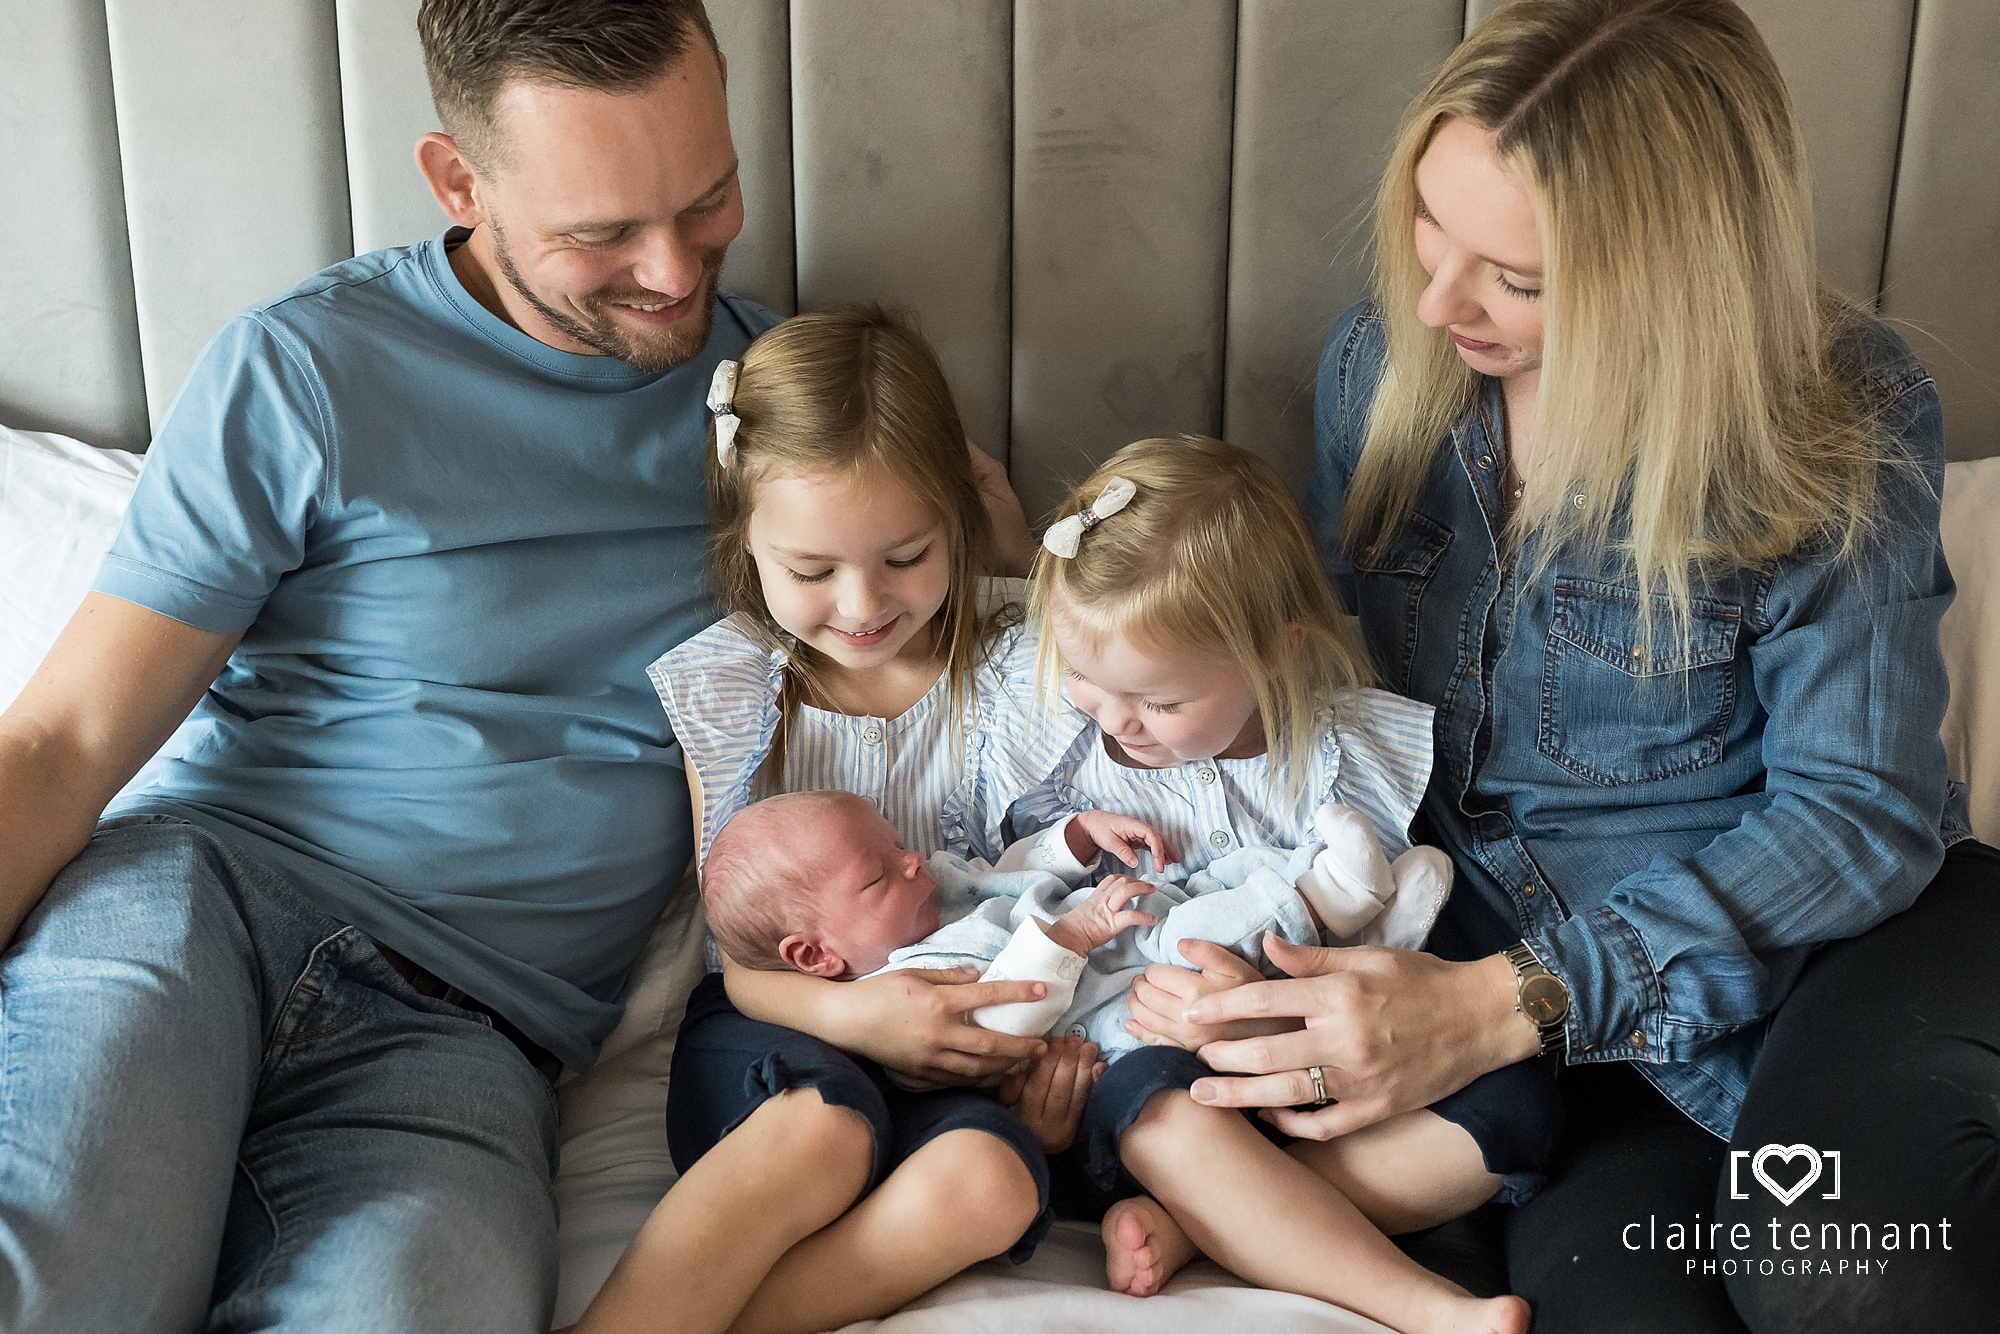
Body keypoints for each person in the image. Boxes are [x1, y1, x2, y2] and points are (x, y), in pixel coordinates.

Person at [0, 4, 1030, 1331]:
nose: (672, 271)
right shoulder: (307, 369)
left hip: (472, 1035)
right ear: (458, 181)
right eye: (601, 233)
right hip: (203, 903)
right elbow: (64, 739)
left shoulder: (775, 430)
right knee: (59, 1270)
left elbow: (971, 640)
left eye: (707, 199)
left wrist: (1010, 559)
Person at [1129, 3, 1999, 1332]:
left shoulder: (1840, 412)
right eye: (1431, 224)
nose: (1436, 299)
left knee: (1846, 1267)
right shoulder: (1382, 371)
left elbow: (1858, 816)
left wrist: (1503, 1000)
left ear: (1671, 272)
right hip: (1587, 1054)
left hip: (1846, 953)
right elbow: (1300, 667)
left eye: (1516, 278)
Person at [578, 305, 1074, 1334]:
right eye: (810, 571)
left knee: (995, 1178)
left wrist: (1020, 553)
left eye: (905, 555)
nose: (860, 602)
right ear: (745, 541)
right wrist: (853, 1017)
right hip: (784, 1016)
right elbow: (739, 952)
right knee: (825, 1134)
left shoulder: (1021, 667)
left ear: (955, 516)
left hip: (960, 1024)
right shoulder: (734, 691)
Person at [1009, 437, 1541, 1334]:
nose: (1117, 723)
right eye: (1090, 686)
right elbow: (1008, 905)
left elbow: (1398, 937)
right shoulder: (1073, 771)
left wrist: (1280, 1001)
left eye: (1160, 702)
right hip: (1161, 1076)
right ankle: (1418, 1304)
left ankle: (1207, 1227)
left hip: (1326, 1072)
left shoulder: (1352, 758)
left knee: (1506, 1117)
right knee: (1166, 1116)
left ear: (1273, 651)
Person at [702, 790, 1449, 1057]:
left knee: (1192, 888)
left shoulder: (932, 890)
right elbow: (1003, 1020)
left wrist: (1076, 837)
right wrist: (1081, 931)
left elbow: (1009, 871)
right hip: (1112, 1021)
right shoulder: (904, 986)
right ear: (816, 955)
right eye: (877, 874)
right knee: (1191, 944)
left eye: (897, 844)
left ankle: (1350, 919)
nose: (911, 863)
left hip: (1117, 938)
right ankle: (1334, 902)